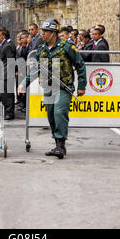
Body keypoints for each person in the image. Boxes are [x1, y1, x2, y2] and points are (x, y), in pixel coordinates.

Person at [18, 18, 87, 159]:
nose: (42, 34)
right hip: (48, 87)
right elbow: (36, 68)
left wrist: (81, 85)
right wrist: (24, 83)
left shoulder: (67, 46)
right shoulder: (42, 49)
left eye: (46, 31)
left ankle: (61, 146)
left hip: (63, 86)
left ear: (54, 33)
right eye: (42, 31)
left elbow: (80, 64)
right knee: (51, 115)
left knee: (59, 112)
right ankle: (57, 144)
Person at [0, 27, 16, 120]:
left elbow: (10, 61)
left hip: (7, 73)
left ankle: (9, 113)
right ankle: (6, 111)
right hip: (3, 72)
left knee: (8, 94)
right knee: (4, 94)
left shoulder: (7, 45)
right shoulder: (1, 45)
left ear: (3, 36)